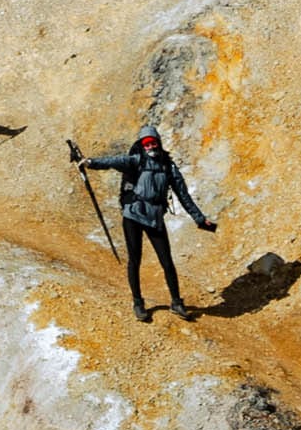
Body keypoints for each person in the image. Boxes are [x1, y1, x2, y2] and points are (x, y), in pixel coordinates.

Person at [78, 129, 217, 321]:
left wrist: (199, 218)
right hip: (133, 215)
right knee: (135, 259)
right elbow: (112, 161)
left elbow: (183, 195)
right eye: (147, 144)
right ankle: (138, 302)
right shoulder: (136, 160)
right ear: (143, 146)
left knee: (167, 261)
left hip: (155, 217)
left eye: (153, 143)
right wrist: (90, 163)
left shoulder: (169, 167)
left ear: (159, 143)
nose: (151, 147)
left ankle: (177, 302)